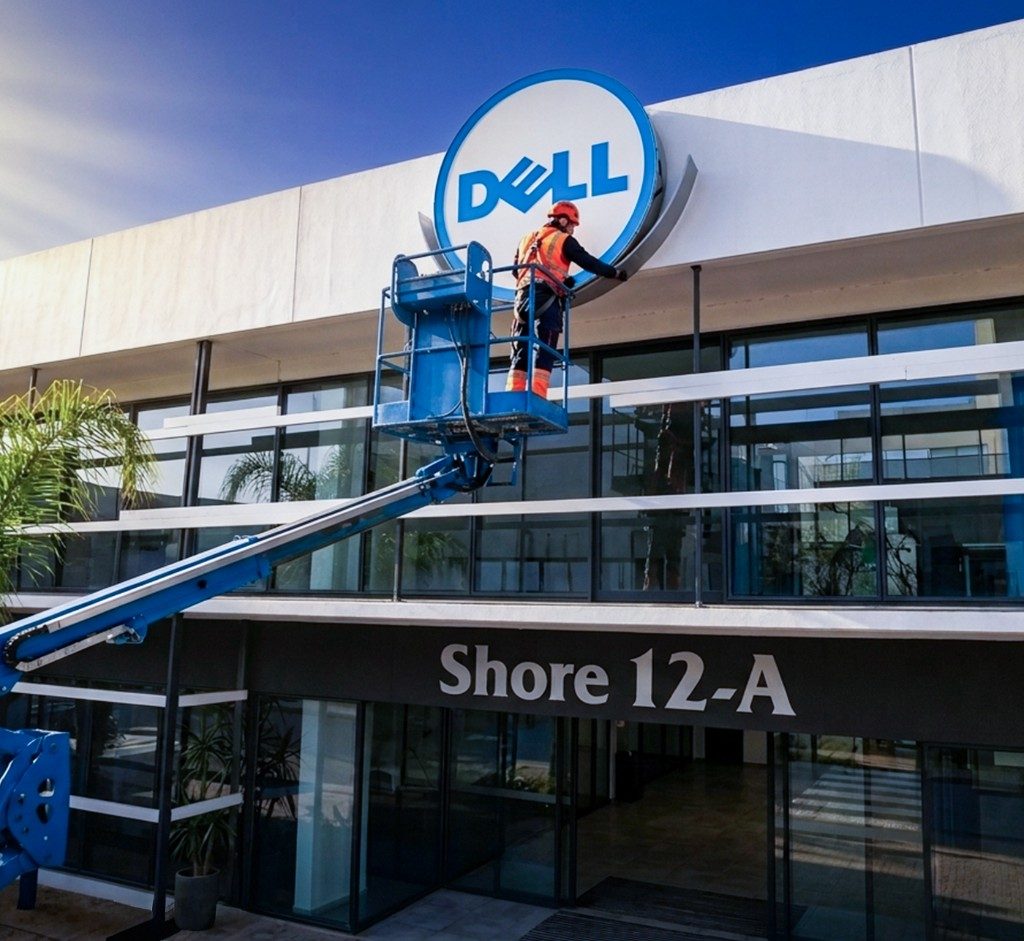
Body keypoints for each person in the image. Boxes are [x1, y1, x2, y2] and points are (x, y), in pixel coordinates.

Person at [506, 200, 628, 396]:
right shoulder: (563, 239)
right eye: (572, 224)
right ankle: (537, 395)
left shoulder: (526, 239)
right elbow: (588, 262)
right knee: (546, 345)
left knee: (521, 348)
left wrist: (561, 279)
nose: (573, 229)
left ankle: (513, 395)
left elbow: (516, 271)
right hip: (546, 298)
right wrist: (614, 273)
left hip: (521, 300)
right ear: (562, 220)